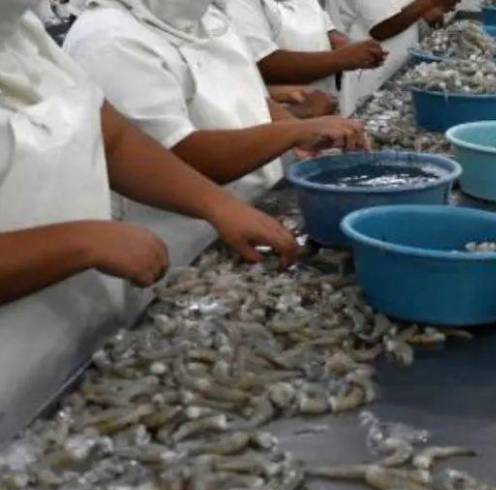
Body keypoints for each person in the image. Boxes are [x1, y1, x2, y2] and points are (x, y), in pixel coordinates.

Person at [0, 4, 298, 425]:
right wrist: (80, 243)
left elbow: (113, 139)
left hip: (84, 347)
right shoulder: (104, 36)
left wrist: (218, 205)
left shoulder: (22, 36)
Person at [63, 0, 368, 239]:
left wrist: (303, 133)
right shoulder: (109, 41)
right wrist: (294, 132)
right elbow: (182, 156)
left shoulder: (208, 15)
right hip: (182, 237)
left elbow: (249, 92)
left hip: (252, 207)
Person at [222, 0, 388, 98]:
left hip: (325, 103)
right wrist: (342, 58)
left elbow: (327, 30)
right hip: (289, 115)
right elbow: (265, 64)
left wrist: (353, 49)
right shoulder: (237, 5)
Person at [325, 0, 461, 113]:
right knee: (367, 120)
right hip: (368, 74)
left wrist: (426, 12)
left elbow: (400, 8)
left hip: (394, 70)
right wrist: (430, 3)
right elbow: (382, 29)